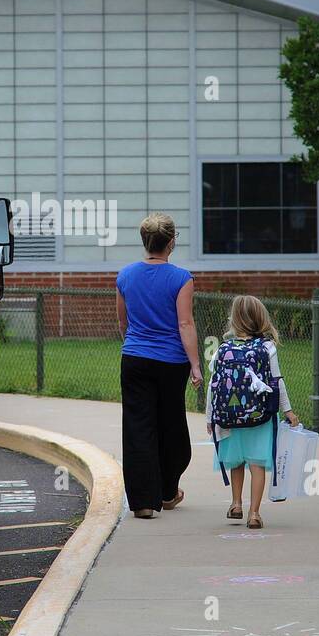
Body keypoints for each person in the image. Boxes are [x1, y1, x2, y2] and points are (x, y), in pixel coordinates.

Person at [115, 213, 202, 519]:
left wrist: (136, 347)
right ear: (171, 242)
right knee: (171, 426)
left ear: (145, 241)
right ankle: (167, 492)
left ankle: (142, 502)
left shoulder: (125, 276)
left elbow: (123, 322)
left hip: (134, 360)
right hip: (171, 363)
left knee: (138, 428)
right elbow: (185, 324)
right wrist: (195, 365)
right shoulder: (181, 278)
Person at [206, 295, 299, 530]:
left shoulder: (223, 348)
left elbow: (213, 385)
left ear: (234, 320)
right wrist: (287, 410)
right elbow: (277, 381)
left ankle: (236, 504)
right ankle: (254, 513)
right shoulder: (267, 347)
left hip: (229, 416)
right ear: (260, 318)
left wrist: (210, 417)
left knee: (236, 462)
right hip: (260, 416)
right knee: (257, 464)